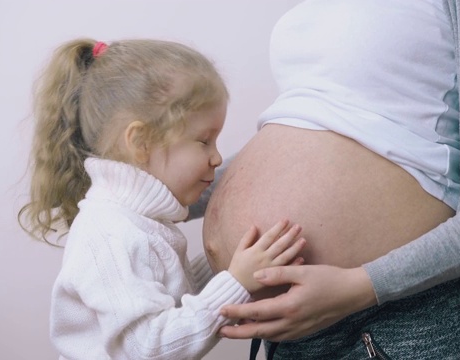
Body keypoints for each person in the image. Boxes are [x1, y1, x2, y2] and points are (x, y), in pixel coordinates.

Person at [188, 0, 460, 358]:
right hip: (292, 334)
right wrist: (144, 193)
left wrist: (363, 285)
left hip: (397, 321)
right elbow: (321, 123)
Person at [18, 38, 307, 359]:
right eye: (204, 141)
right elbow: (148, 349)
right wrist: (235, 281)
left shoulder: (138, 222)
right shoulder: (110, 235)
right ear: (140, 142)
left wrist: (229, 268)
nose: (216, 157)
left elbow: (167, 294)